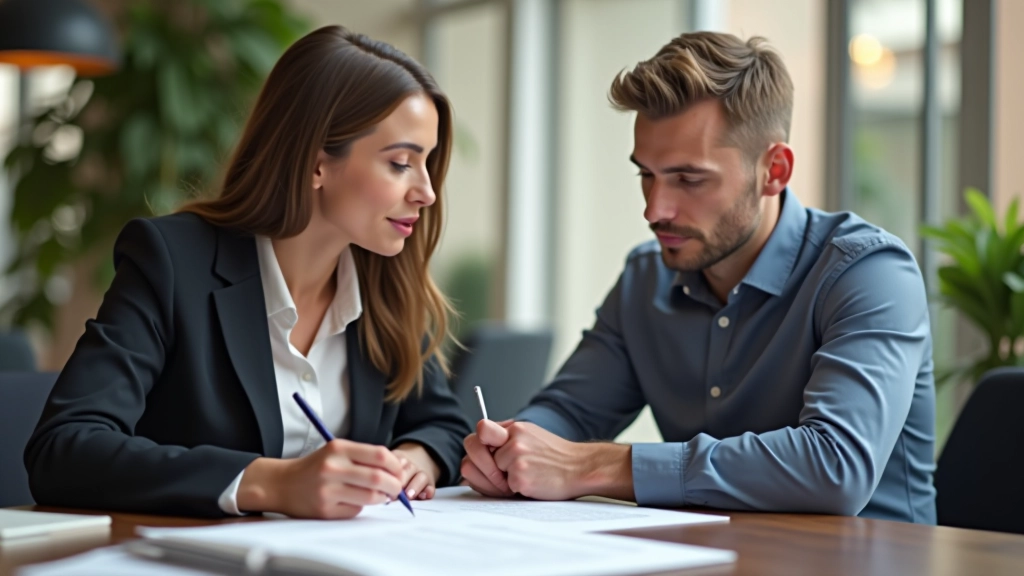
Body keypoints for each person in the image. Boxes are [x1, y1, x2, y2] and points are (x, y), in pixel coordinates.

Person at [462, 31, 936, 524]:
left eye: (689, 179)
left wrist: (595, 465)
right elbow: (571, 413)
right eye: (646, 174)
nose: (655, 209)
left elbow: (835, 467)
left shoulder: (868, 272)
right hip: (709, 556)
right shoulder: (643, 280)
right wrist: (512, 450)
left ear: (773, 170)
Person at [25, 25, 471, 519]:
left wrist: (418, 459)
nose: (427, 193)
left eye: (427, 163)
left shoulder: (387, 284)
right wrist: (270, 483)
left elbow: (443, 426)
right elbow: (64, 448)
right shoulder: (174, 262)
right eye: (401, 163)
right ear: (316, 163)